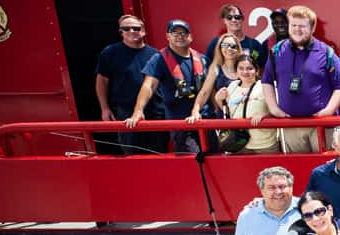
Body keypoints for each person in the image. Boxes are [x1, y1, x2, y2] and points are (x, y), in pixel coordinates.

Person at [262, 5, 340, 153]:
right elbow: (267, 81)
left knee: (325, 168)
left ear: (312, 28)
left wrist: (328, 110)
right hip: (291, 126)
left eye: (302, 26)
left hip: (320, 126)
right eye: (294, 25)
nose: (297, 29)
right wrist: (273, 108)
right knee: (296, 171)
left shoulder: (326, 52)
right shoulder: (277, 51)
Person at [125, 19, 211, 154]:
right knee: (192, 162)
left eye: (183, 33)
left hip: (206, 121)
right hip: (181, 124)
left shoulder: (202, 59)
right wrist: (138, 110)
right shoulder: (159, 59)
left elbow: (210, 89)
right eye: (175, 33)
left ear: (190, 37)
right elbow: (149, 85)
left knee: (214, 159)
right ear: (167, 36)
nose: (180, 37)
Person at [94, 15, 165, 154]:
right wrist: (104, 108)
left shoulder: (156, 55)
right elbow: (102, 81)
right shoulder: (110, 53)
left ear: (143, 31)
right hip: (125, 113)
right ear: (121, 32)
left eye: (136, 28)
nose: (132, 31)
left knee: (158, 155)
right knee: (133, 156)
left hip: (155, 112)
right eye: (126, 29)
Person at [213, 55, 279, 153]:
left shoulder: (265, 86)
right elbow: (228, 113)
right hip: (239, 143)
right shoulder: (232, 86)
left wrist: (264, 115)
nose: (245, 72)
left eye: (250, 68)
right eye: (241, 68)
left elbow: (276, 110)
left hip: (264, 143)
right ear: (236, 71)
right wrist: (218, 100)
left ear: (257, 71)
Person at [187, 32, 244, 124]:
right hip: (224, 119)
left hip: (245, 116)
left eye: (233, 46)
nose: (229, 49)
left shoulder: (244, 67)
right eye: (225, 45)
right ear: (220, 48)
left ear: (238, 49)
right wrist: (195, 112)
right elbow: (205, 92)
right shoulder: (215, 69)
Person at [204, 4, 267, 71]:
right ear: (224, 20)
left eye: (237, 17)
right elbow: (209, 67)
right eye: (229, 17)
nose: (233, 20)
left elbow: (262, 67)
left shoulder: (254, 45)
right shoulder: (216, 43)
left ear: (242, 19)